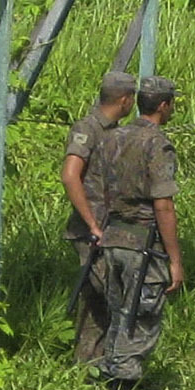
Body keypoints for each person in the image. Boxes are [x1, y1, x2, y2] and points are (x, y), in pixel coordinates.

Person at [84, 76, 184, 390]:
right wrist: (174, 260)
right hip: (142, 242)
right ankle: (124, 387)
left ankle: (108, 374)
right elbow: (163, 205)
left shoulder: (113, 138)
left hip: (112, 238)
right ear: (164, 105)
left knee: (118, 313)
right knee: (142, 317)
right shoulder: (157, 143)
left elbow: (97, 189)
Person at [60, 70, 134, 367]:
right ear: (125, 100)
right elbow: (69, 176)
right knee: (111, 296)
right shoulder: (88, 128)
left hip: (109, 228)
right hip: (92, 231)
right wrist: (91, 223)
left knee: (97, 302)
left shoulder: (115, 131)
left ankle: (90, 364)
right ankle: (108, 364)